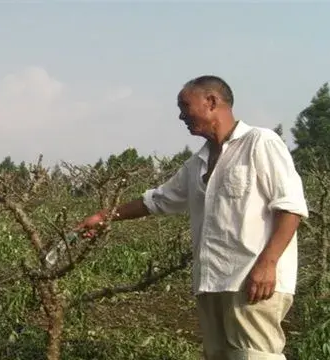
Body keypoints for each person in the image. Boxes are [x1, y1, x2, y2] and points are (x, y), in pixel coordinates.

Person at [77, 75, 308, 360]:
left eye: (185, 106)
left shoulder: (260, 142)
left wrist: (268, 264)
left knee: (256, 356)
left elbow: (291, 206)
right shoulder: (196, 162)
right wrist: (104, 216)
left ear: (211, 102)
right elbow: (157, 200)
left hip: (252, 279)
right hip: (212, 282)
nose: (181, 115)